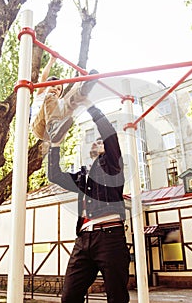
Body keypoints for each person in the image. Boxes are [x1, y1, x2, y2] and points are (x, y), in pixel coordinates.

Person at [47, 99, 130, 303]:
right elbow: (54, 175)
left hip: (109, 236)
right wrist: (55, 144)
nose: (96, 142)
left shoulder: (112, 166)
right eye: (95, 141)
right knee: (69, 297)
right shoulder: (82, 176)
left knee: (117, 297)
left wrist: (90, 107)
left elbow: (110, 134)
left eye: (100, 142)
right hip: (83, 240)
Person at [30, 54, 97, 144]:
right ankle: (53, 127)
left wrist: (81, 78)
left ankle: (84, 89)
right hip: (38, 127)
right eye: (53, 86)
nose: (55, 89)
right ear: (45, 87)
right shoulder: (41, 95)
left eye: (59, 89)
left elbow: (72, 92)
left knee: (70, 102)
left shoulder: (57, 102)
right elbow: (43, 78)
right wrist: (51, 61)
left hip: (52, 131)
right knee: (51, 96)